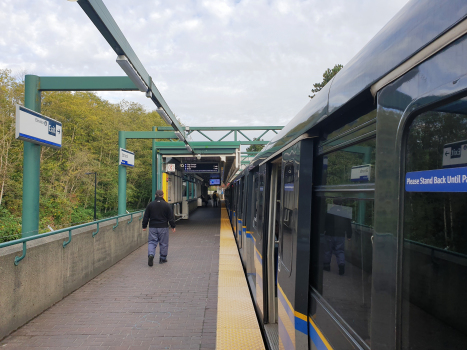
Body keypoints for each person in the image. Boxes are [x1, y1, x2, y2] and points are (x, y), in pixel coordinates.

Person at [142, 190, 176, 266]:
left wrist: (144, 226)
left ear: (155, 195)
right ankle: (162, 258)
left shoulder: (150, 205)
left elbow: (146, 216)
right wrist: (173, 226)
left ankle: (151, 255)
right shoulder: (166, 205)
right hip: (163, 227)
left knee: (152, 242)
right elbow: (170, 217)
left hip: (152, 227)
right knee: (163, 243)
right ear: (163, 195)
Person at [323, 200, 352, 275]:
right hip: (340, 235)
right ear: (341, 205)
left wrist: (323, 231)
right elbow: (349, 225)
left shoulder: (329, 212)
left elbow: (324, 223)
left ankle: (326, 266)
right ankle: (341, 265)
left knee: (327, 250)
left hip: (329, 234)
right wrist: (349, 236)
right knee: (340, 251)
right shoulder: (345, 214)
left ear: (333, 204)